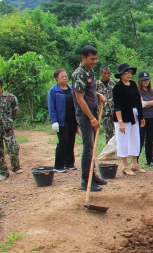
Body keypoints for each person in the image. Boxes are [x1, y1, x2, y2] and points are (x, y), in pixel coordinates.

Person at [72, 45, 107, 192]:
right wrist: (92, 119)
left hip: (92, 110)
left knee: (92, 146)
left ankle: (92, 176)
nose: (94, 61)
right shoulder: (79, 74)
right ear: (83, 57)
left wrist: (98, 95)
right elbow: (80, 99)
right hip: (85, 114)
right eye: (92, 59)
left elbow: (88, 91)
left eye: (96, 59)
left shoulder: (90, 72)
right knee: (88, 147)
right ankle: (85, 181)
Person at [112, 63, 145, 176]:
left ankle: (134, 163)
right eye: (126, 72)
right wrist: (120, 122)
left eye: (130, 72)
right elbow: (117, 105)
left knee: (135, 138)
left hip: (134, 114)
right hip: (123, 115)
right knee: (123, 139)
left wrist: (141, 117)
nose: (129, 74)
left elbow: (138, 102)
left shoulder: (133, 84)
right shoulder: (118, 87)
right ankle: (125, 165)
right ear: (121, 75)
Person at [47, 69, 80, 173]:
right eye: (62, 77)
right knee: (63, 140)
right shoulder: (54, 91)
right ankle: (59, 165)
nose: (65, 78)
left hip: (72, 119)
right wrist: (54, 121)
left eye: (66, 76)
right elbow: (51, 107)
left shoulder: (71, 89)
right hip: (61, 120)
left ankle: (69, 163)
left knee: (71, 140)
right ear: (57, 78)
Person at [0, 77, 21, 181]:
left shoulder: (10, 97)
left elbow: (15, 111)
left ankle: (15, 167)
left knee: (13, 148)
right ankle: (3, 172)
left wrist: (9, 121)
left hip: (7, 128)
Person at [138, 71, 153, 167]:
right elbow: (140, 104)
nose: (146, 81)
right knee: (140, 140)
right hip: (142, 118)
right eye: (144, 80)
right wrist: (151, 103)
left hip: (152, 117)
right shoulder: (138, 91)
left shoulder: (152, 90)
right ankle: (136, 160)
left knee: (150, 140)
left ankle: (150, 160)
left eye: (147, 79)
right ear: (140, 81)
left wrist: (146, 103)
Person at [98, 66, 117, 143]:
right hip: (105, 112)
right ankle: (109, 149)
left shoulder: (114, 82)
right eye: (105, 73)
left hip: (116, 111)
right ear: (100, 74)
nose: (107, 75)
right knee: (108, 133)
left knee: (119, 131)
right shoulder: (97, 85)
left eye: (108, 73)